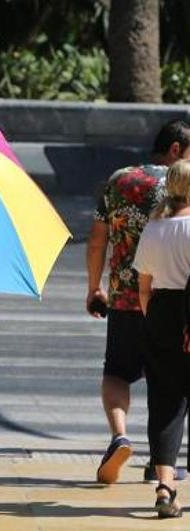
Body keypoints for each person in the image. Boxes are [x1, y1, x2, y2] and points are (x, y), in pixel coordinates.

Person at [86, 119, 190, 484]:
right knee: (168, 387)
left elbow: (98, 240)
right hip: (168, 300)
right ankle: (161, 464)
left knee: (117, 372)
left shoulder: (119, 180)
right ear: (176, 150)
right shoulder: (179, 186)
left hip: (123, 296)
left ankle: (119, 435)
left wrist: (93, 287)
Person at [133, 159, 190, 518]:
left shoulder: (154, 228)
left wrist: (156, 319)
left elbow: (144, 287)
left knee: (165, 403)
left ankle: (165, 487)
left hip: (162, 313)